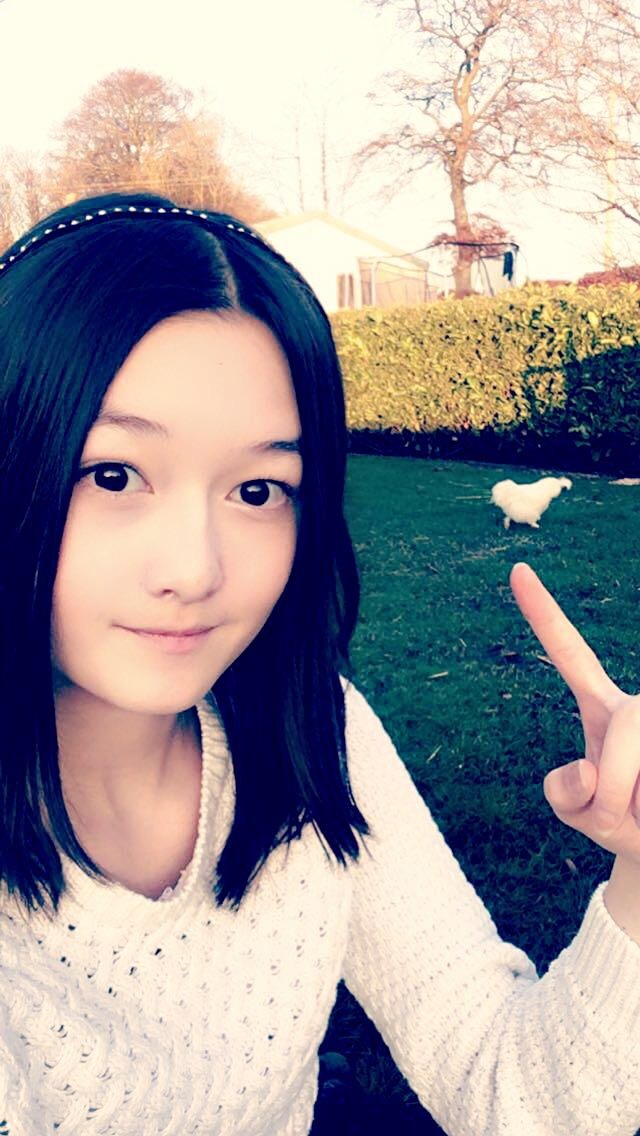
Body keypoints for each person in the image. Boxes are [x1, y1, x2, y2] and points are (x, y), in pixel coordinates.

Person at [0, 191, 639, 1136]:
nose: (195, 571)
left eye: (260, 490)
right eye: (114, 475)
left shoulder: (314, 730)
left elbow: (514, 1090)